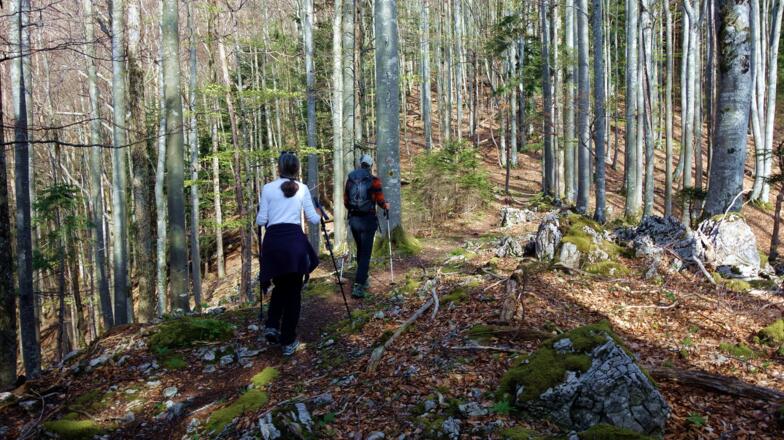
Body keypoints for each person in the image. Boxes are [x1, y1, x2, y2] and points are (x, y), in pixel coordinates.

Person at [256, 152, 322, 356]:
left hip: (273, 244)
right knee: (293, 292)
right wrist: (319, 212)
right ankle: (287, 340)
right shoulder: (302, 189)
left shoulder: (267, 188)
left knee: (280, 285)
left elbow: (260, 220)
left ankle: (272, 325)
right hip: (293, 244)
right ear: (296, 169)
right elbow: (313, 219)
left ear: (279, 168)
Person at [344, 154, 389, 298]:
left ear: (360, 163)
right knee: (366, 253)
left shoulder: (350, 178)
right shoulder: (374, 180)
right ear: (370, 165)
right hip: (369, 220)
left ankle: (364, 277)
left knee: (360, 250)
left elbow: (346, 201)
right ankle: (359, 285)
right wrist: (385, 205)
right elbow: (380, 200)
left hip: (355, 220)